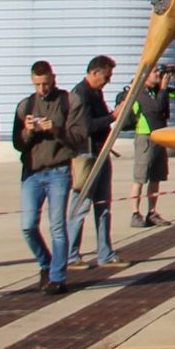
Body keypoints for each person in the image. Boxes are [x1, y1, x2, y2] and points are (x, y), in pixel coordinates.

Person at [12, 60, 85, 294]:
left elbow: (79, 138)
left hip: (58, 171)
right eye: (37, 84)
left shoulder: (69, 101)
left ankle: (57, 277)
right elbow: (17, 143)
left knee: (57, 226)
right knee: (27, 226)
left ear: (53, 78)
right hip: (32, 172)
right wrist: (28, 131)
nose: (42, 89)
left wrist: (55, 129)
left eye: (45, 83)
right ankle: (46, 263)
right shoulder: (25, 105)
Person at [67, 56, 124, 270]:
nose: (107, 81)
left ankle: (104, 253)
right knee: (80, 206)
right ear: (94, 73)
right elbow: (86, 126)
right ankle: (71, 254)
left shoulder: (95, 93)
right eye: (106, 77)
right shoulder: (80, 95)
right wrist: (112, 117)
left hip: (101, 152)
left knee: (103, 206)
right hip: (87, 156)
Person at [126, 62, 175, 226]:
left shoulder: (158, 91)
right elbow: (156, 108)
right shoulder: (139, 93)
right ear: (145, 76)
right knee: (140, 177)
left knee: (156, 177)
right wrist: (164, 88)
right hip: (145, 137)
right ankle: (135, 213)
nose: (158, 75)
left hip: (160, 136)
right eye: (155, 72)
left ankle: (152, 212)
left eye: (159, 72)